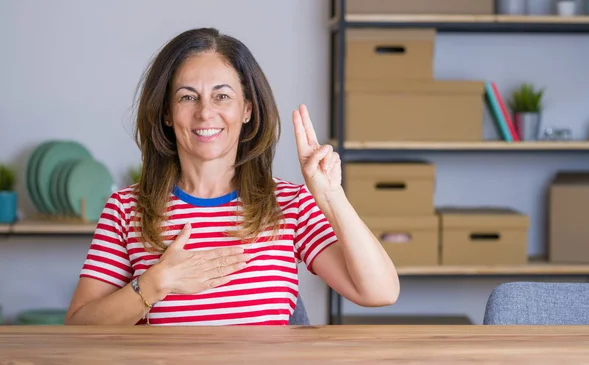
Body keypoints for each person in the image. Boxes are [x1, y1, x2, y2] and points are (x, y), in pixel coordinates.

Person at [64, 27, 400, 326]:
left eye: (222, 96)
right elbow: (79, 326)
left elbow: (380, 292)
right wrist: (155, 283)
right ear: (166, 112)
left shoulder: (289, 204)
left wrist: (329, 195)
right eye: (187, 97)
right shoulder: (126, 208)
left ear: (247, 109)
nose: (205, 112)